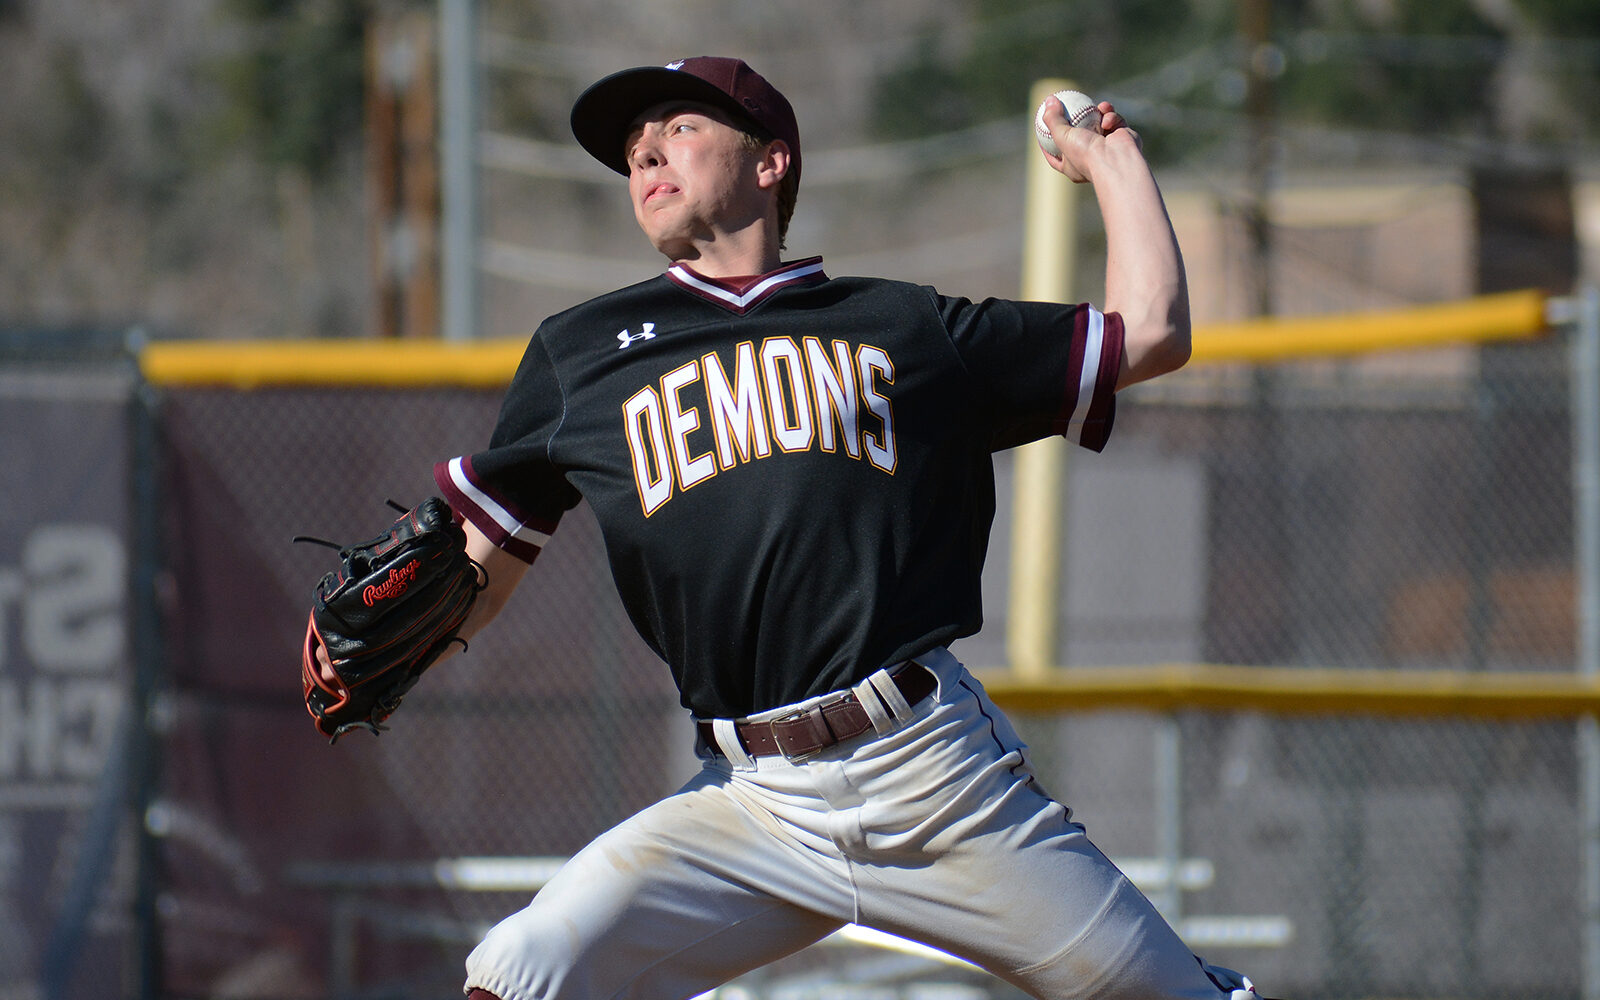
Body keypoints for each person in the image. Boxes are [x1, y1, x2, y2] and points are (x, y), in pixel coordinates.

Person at [425, 56, 1268, 1000]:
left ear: (772, 162)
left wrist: (1109, 157)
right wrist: (405, 640)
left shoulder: (902, 327)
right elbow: (479, 562)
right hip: (752, 808)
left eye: (678, 127)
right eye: (631, 147)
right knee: (519, 973)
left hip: (935, 779)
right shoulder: (579, 354)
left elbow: (1151, 331)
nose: (645, 152)